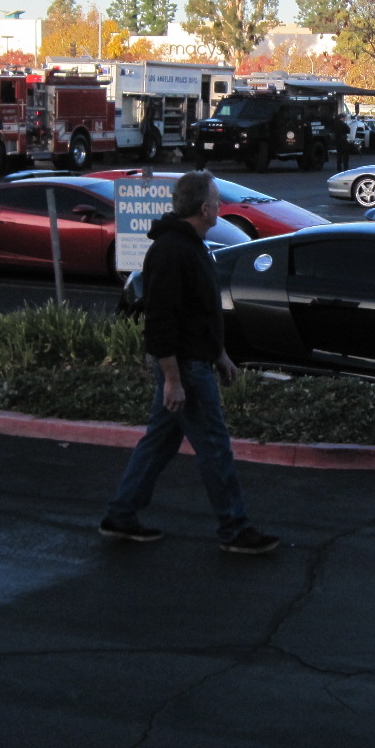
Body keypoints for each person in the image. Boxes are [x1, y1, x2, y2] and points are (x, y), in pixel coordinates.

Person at [100, 172, 281, 554]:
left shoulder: (191, 246)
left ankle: (121, 514)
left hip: (196, 361)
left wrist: (221, 354)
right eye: (216, 200)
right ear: (203, 208)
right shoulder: (170, 251)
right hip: (185, 368)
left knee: (160, 443)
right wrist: (172, 379)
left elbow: (199, 314)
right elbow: (160, 322)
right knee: (215, 447)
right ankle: (234, 528)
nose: (220, 206)